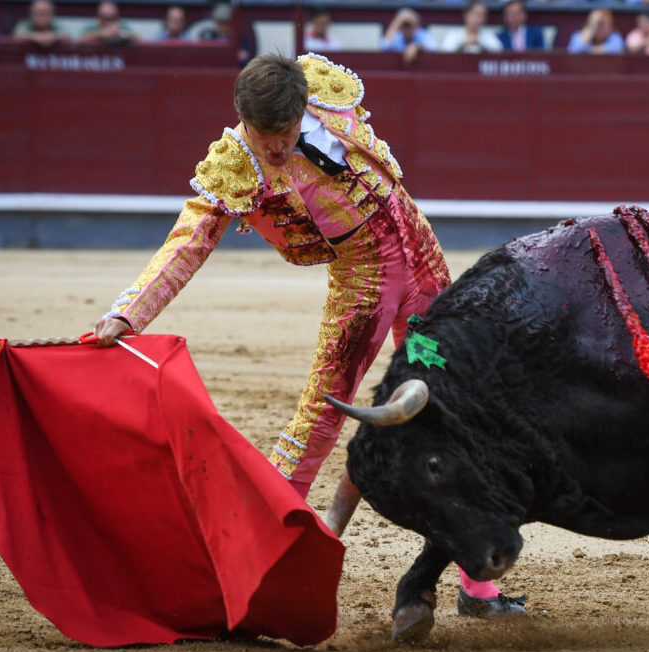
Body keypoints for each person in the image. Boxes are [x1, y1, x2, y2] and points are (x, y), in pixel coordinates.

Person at [91, 54, 527, 620]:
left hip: (423, 262)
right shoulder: (236, 164)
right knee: (319, 416)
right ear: (241, 117)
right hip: (364, 282)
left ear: (303, 109)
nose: (276, 147)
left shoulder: (322, 89)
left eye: (286, 133)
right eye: (263, 135)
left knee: (455, 409)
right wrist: (128, 314)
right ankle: (243, 560)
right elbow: (188, 241)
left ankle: (477, 584)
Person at [193, 3, 254, 67]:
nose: (221, 26)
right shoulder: (208, 36)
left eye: (224, 23)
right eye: (219, 23)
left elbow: (245, 61)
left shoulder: (240, 39)